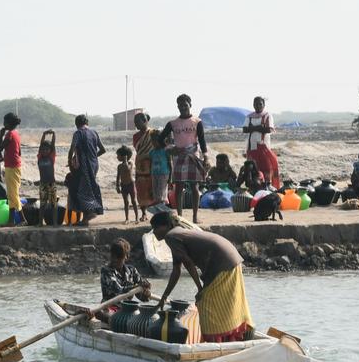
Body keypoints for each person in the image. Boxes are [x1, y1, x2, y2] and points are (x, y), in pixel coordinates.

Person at [150, 211, 253, 343]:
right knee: (224, 304)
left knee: (204, 303)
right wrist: (164, 297)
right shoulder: (177, 233)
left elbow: (188, 263)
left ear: (167, 226)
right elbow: (176, 271)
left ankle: (214, 342)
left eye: (156, 227)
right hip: (231, 258)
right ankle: (227, 339)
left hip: (222, 262)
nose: (154, 232)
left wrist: (200, 288)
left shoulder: (171, 236)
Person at [160, 94, 208, 224]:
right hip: (179, 157)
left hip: (193, 156)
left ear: (190, 105)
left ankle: (195, 216)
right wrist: (169, 148)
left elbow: (202, 140)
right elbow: (160, 138)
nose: (183, 107)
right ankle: (180, 216)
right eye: (180, 105)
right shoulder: (173, 123)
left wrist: (206, 157)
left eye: (185, 105)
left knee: (194, 187)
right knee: (179, 187)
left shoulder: (197, 122)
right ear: (177, 106)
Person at [96, 238, 151, 322]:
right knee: (100, 313)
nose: (115, 259)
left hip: (127, 310)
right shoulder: (106, 271)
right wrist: (137, 287)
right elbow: (119, 290)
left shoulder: (132, 270)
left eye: (119, 257)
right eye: (113, 256)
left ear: (126, 256)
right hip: (110, 308)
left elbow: (143, 298)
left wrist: (146, 291)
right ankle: (115, 320)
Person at [68, 114, 106, 222]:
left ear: (76, 124)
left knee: (83, 190)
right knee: (90, 187)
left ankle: (90, 213)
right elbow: (103, 150)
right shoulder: (94, 133)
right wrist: (93, 156)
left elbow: (72, 149)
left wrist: (70, 162)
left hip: (84, 166)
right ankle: (85, 219)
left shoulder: (78, 133)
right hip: (94, 164)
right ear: (87, 123)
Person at [243, 96, 280, 189]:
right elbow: (245, 129)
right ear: (253, 105)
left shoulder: (267, 115)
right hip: (251, 146)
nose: (258, 106)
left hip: (263, 146)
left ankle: (267, 187)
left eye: (260, 104)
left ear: (264, 105)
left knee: (267, 167)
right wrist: (259, 127)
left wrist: (252, 128)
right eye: (256, 104)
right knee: (253, 168)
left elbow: (268, 129)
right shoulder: (249, 116)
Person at [132, 112, 161, 216]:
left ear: (145, 121)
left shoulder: (153, 133)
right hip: (140, 164)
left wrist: (147, 156)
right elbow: (137, 149)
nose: (136, 124)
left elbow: (158, 147)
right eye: (135, 122)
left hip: (153, 163)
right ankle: (143, 212)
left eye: (137, 122)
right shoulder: (135, 136)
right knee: (141, 188)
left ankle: (156, 212)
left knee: (153, 187)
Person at [0, 112, 23, 224]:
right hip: (16, 166)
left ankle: (22, 219)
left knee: (13, 194)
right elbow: (19, 152)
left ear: (9, 123)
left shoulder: (9, 134)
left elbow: (0, 147)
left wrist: (0, 135)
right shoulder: (16, 134)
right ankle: (11, 221)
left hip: (12, 167)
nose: (3, 124)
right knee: (12, 194)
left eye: (4, 121)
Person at [37, 130, 58, 225]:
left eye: (47, 149)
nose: (45, 151)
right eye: (43, 149)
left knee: (53, 204)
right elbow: (40, 145)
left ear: (50, 150)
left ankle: (55, 223)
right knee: (42, 204)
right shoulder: (40, 157)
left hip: (51, 184)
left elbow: (53, 145)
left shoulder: (51, 157)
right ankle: (40, 223)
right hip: (42, 184)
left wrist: (53, 134)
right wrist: (43, 134)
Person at [115, 145, 135, 222]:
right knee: (126, 202)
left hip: (131, 184)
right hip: (123, 185)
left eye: (118, 155)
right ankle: (127, 218)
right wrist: (117, 186)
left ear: (124, 156)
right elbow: (118, 177)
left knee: (133, 201)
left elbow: (127, 168)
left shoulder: (130, 163)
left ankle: (136, 218)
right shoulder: (119, 166)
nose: (117, 157)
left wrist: (125, 161)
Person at [150, 136, 172, 207]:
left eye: (155, 141)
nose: (153, 143)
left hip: (163, 174)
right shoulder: (152, 152)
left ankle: (162, 208)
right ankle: (159, 209)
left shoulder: (165, 151)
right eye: (152, 141)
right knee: (156, 193)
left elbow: (170, 164)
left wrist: (170, 177)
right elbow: (151, 163)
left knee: (161, 193)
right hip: (154, 174)